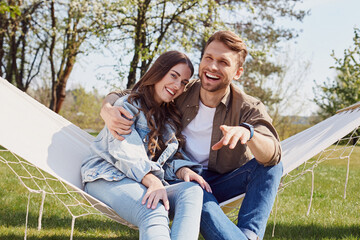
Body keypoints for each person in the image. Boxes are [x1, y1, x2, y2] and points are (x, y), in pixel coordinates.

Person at [101, 31, 283, 240]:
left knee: (273, 166)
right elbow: (135, 93)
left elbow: (273, 154)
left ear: (238, 72)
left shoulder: (248, 107)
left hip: (224, 181)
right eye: (209, 58)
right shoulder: (181, 89)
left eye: (223, 62)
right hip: (181, 178)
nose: (212, 67)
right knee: (196, 191)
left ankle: (249, 234)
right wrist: (107, 107)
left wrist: (248, 132)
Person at [81, 51, 209, 240]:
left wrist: (183, 171)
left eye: (183, 82)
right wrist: (152, 180)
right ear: (159, 72)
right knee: (153, 210)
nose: (177, 86)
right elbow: (124, 151)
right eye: (174, 75)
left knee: (192, 191)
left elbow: (165, 160)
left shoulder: (169, 119)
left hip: (139, 180)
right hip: (107, 175)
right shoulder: (127, 105)